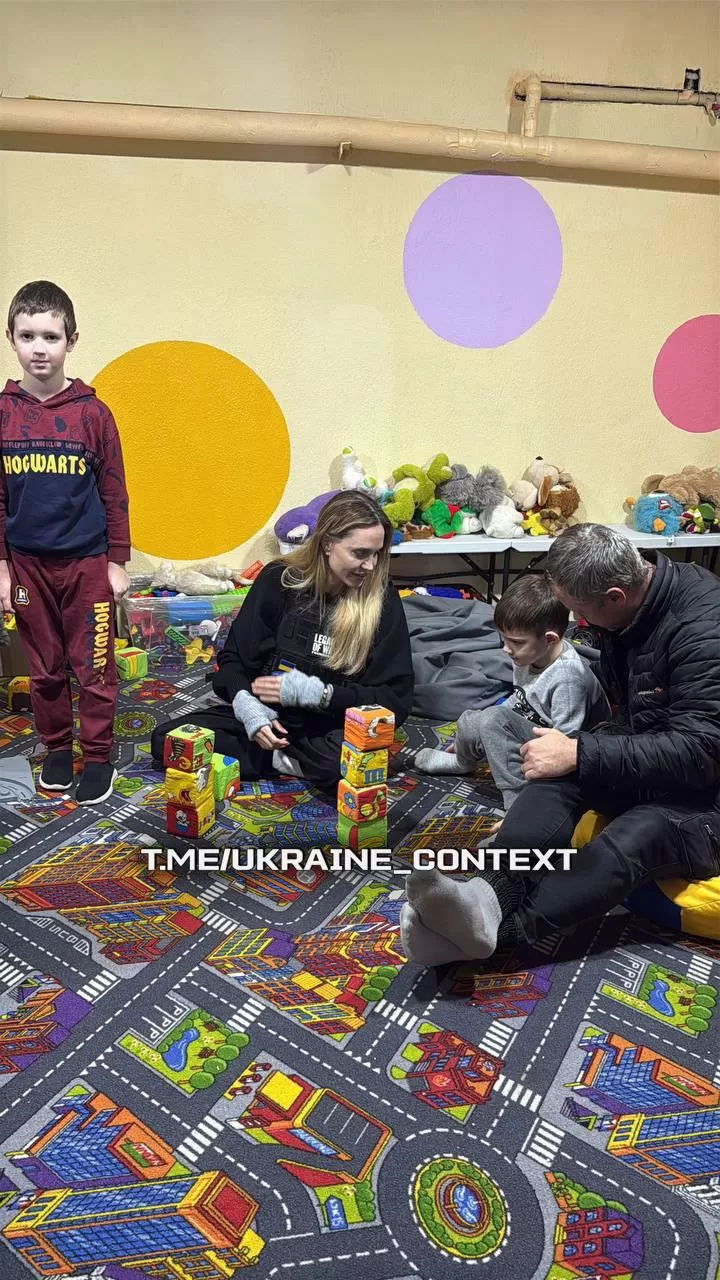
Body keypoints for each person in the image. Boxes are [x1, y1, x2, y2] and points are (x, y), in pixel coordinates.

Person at [400, 523, 720, 966]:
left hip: (706, 791)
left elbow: (703, 752)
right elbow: (634, 716)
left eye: (578, 612)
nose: (576, 623)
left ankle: (496, 935)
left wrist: (582, 751)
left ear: (615, 596)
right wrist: (576, 755)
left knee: (637, 834)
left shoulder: (702, 630)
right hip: (653, 750)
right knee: (554, 772)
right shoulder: (634, 606)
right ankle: (485, 896)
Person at [151, 491, 414, 787]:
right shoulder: (278, 579)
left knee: (346, 761)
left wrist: (324, 695)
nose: (371, 565)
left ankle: (277, 759)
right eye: (360, 553)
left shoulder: (382, 600)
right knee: (167, 740)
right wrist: (245, 704)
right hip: (269, 717)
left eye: (378, 553)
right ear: (327, 543)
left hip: (331, 725)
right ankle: (291, 761)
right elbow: (234, 659)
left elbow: (394, 699)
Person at [0, 281, 130, 804]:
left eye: (51, 337)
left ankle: (97, 756)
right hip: (26, 567)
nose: (39, 348)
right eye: (27, 335)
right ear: (11, 338)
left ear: (71, 341)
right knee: (45, 668)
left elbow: (114, 490)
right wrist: (3, 569)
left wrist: (117, 562)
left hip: (85, 565)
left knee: (94, 665)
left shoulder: (93, 414)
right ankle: (57, 748)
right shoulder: (3, 413)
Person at [413, 574, 609, 810]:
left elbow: (566, 742)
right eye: (504, 640)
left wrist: (496, 727)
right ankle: (463, 762)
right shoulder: (529, 655)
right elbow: (519, 699)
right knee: (472, 719)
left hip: (561, 747)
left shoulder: (568, 678)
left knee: (493, 719)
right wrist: (477, 733)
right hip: (534, 727)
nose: (506, 649)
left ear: (549, 639)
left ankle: (518, 802)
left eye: (516, 642)